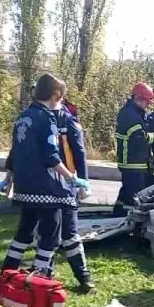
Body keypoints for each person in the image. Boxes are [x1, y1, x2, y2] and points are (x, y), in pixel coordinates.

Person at [1, 74, 88, 277]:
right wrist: (71, 178)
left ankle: (6, 273)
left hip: (25, 189)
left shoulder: (22, 117)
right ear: (56, 95)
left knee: (24, 232)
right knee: (51, 232)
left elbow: (15, 151)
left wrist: (9, 178)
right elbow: (51, 156)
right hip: (46, 188)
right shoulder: (47, 118)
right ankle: (41, 274)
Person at [54, 97, 94, 292]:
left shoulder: (66, 120)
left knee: (65, 232)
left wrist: (83, 182)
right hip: (56, 185)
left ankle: (83, 276)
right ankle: (45, 274)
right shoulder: (43, 118)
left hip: (65, 184)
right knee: (51, 233)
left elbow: (79, 152)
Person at [114, 82, 154, 215]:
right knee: (134, 196)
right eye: (147, 101)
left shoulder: (132, 112)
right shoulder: (132, 116)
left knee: (126, 191)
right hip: (133, 162)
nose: (148, 104)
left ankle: (117, 214)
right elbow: (141, 139)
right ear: (138, 98)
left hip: (132, 161)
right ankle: (128, 220)